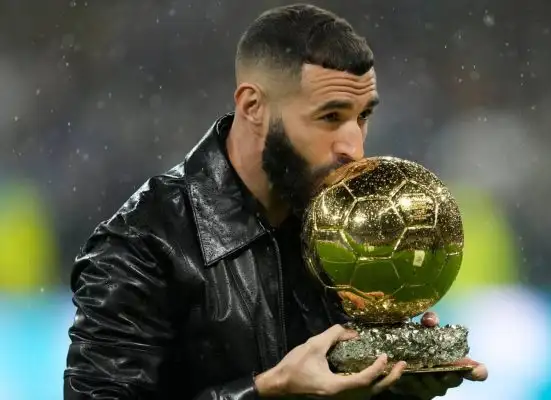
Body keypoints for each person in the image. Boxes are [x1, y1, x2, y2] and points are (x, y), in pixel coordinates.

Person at [63, 4, 487, 399]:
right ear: (253, 107)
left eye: (363, 117)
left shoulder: (343, 226)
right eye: (329, 117)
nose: (353, 148)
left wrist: (389, 379)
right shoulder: (141, 247)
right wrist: (267, 390)